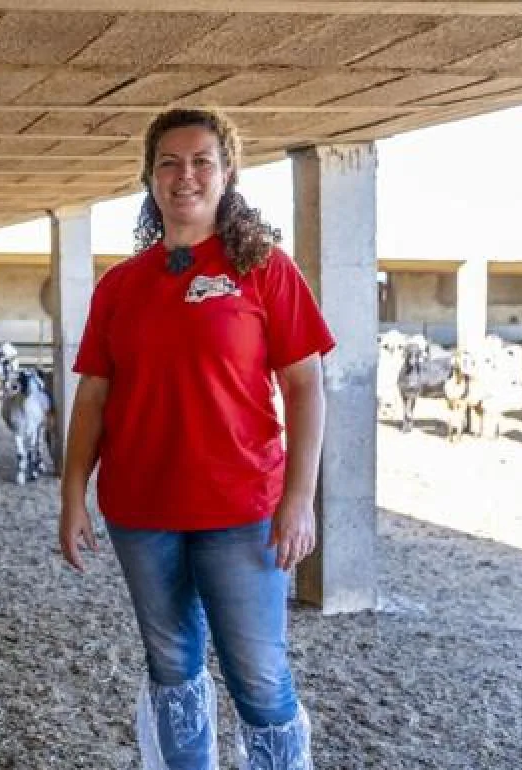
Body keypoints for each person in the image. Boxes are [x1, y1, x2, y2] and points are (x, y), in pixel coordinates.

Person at [58, 107, 334, 769]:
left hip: (241, 512)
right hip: (141, 512)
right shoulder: (120, 286)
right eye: (169, 163)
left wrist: (298, 501)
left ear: (227, 171)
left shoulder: (264, 269)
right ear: (151, 177)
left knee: (259, 678)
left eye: (201, 160)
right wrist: (73, 496)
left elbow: (306, 387)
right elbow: (93, 397)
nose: (186, 175)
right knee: (173, 669)